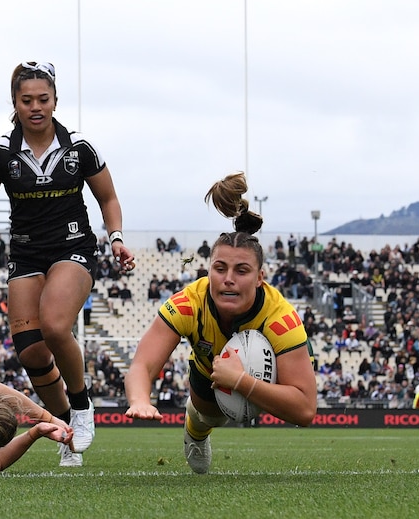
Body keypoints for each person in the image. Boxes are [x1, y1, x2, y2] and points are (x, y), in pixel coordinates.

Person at [0, 61, 135, 467]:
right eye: (27, 100)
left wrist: (117, 238)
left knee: (56, 326)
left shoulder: (79, 149)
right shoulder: (2, 153)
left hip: (72, 247)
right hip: (25, 254)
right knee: (31, 353)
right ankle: (65, 429)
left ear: (55, 101)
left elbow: (108, 199)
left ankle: (82, 407)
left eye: (43, 99)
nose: (36, 106)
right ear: (15, 104)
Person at [125, 172, 317, 474]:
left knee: (263, 403)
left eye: (241, 270)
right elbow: (142, 365)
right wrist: (140, 399)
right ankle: (196, 430)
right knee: (212, 417)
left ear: (259, 278)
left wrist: (241, 381)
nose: (228, 279)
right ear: (209, 270)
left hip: (263, 377)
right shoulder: (189, 303)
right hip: (206, 371)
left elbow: (305, 411)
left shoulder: (281, 318)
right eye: (220, 268)